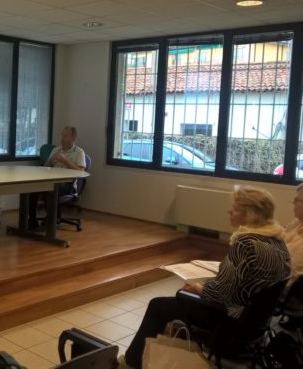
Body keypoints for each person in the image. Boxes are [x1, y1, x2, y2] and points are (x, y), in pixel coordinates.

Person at [119, 186, 291, 369]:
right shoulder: (278, 241)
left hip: (229, 320)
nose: (229, 212)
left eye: (234, 208)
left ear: (249, 214)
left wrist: (198, 288)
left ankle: (131, 363)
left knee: (159, 305)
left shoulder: (245, 243)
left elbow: (219, 294)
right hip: (253, 325)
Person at [28, 126, 86, 230]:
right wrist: (51, 162)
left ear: (73, 137)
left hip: (67, 185)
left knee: (52, 190)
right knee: (32, 189)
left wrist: (65, 160)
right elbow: (45, 168)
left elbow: (81, 172)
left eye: (65, 136)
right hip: (52, 181)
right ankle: (32, 220)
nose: (62, 138)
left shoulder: (79, 152)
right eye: (62, 135)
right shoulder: (56, 150)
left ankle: (51, 218)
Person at [285, 183, 303, 286]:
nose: (293, 203)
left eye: (297, 200)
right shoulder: (297, 222)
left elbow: (288, 269)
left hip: (281, 288)